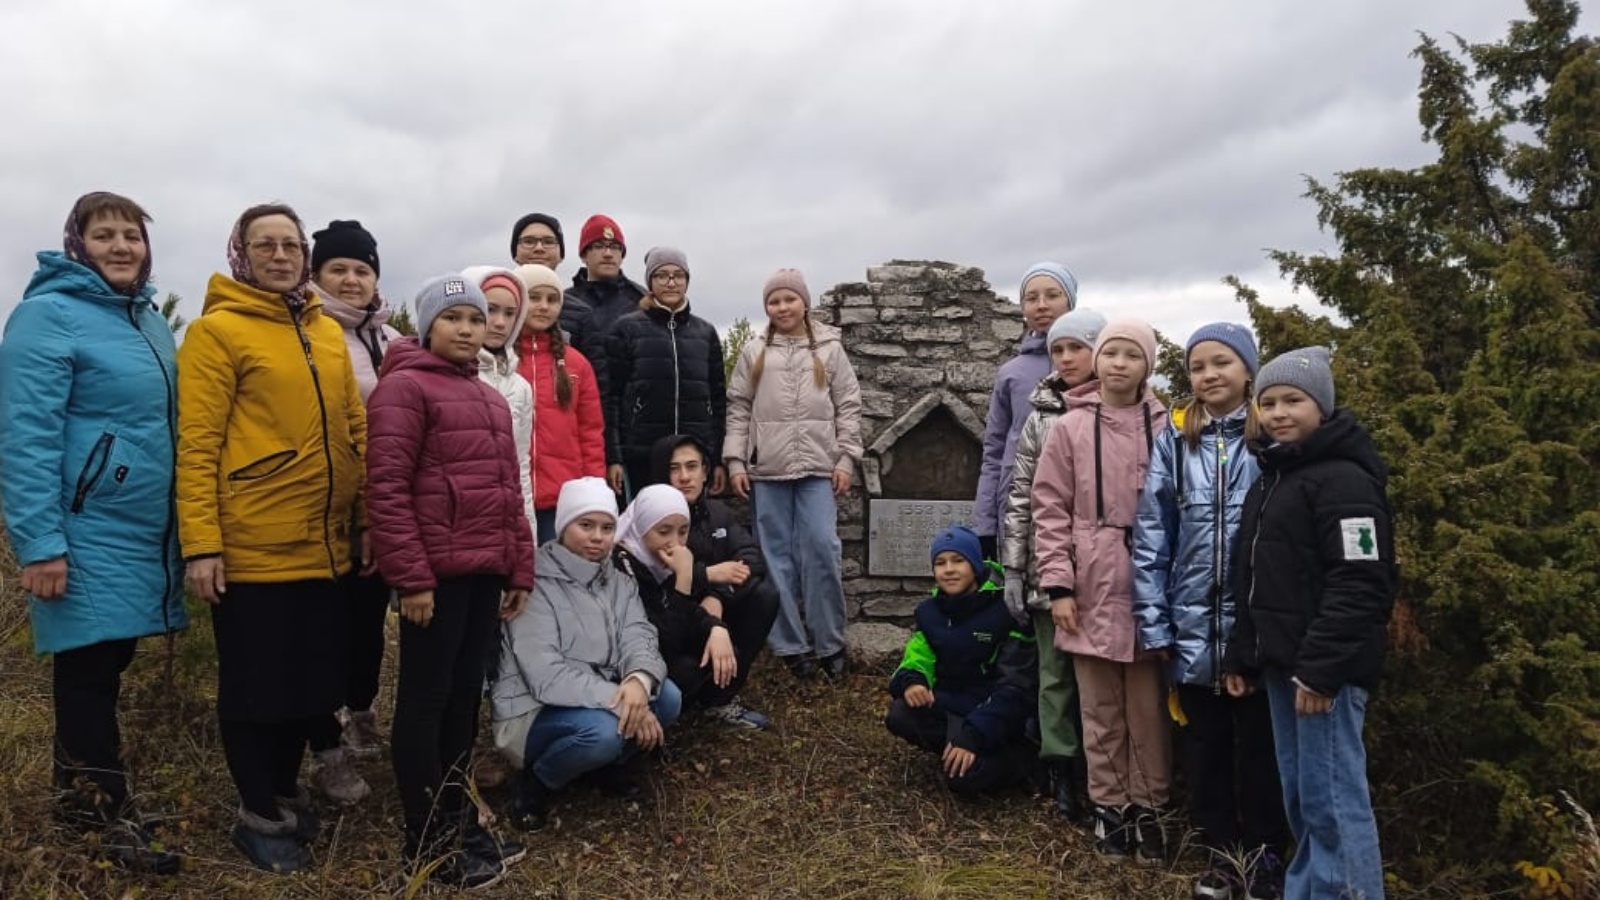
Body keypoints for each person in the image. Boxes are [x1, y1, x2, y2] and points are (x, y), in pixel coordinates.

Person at [176, 202, 366, 874]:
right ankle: (258, 815)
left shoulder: (321, 333)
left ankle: (284, 795)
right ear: (242, 253)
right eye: (266, 245)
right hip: (252, 545)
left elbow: (355, 433)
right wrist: (202, 544)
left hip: (324, 548)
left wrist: (363, 524)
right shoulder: (215, 332)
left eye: (291, 245)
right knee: (257, 693)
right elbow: (196, 445)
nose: (281, 256)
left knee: (309, 689)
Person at [0, 191, 186, 873]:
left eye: (131, 235)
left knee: (108, 665)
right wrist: (41, 543)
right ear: (77, 245)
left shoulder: (147, 321)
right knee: (86, 670)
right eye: (104, 234)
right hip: (82, 528)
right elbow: (25, 437)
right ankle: (102, 819)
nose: (120, 247)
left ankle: (80, 799)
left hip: (140, 529)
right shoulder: (47, 317)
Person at [366, 274, 535, 889]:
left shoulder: (490, 399)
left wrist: (520, 567)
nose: (468, 329)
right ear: (427, 326)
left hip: (485, 573)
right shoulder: (403, 389)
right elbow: (386, 491)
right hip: (433, 579)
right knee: (424, 704)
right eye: (454, 319)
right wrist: (410, 579)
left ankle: (460, 822)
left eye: (475, 319)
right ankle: (427, 841)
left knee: (463, 705)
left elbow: (508, 494)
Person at [1223, 347, 1395, 900]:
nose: (1278, 412)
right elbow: (1254, 579)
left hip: (1323, 676)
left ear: (1322, 405)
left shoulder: (1345, 482)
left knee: (1334, 802)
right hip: (1281, 669)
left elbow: (1361, 581)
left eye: (1293, 400)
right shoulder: (1273, 479)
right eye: (1267, 401)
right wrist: (1243, 656)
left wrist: (1321, 671)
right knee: (1302, 800)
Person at [1133, 322, 1289, 899]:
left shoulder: (1267, 440)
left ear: (1248, 371)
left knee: (1261, 749)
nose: (1208, 375)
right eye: (1198, 366)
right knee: (1206, 750)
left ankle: (1267, 857)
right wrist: (1154, 620)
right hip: (1193, 626)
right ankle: (1221, 857)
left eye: (1221, 363)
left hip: (1254, 631)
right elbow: (1153, 534)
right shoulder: (1176, 441)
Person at [1031, 318, 1171, 864]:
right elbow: (1049, 510)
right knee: (1098, 706)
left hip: (1149, 580)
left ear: (1148, 366)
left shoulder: (1168, 428)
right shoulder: (1068, 429)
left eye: (1130, 355)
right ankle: (1109, 805)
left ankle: (1150, 807)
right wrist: (1057, 585)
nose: (1117, 363)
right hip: (1088, 580)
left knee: (1147, 709)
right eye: (1109, 352)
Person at [490, 477, 682, 833]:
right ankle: (537, 783)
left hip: (596, 697)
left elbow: (639, 634)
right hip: (532, 711)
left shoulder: (619, 580)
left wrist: (639, 680)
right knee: (604, 733)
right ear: (563, 526)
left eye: (607, 527)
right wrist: (623, 701)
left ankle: (606, 767)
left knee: (668, 698)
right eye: (586, 525)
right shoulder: (533, 583)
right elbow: (546, 674)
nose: (597, 537)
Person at [725, 269, 862, 680]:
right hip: (767, 471)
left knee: (822, 549)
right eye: (774, 301)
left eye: (789, 299)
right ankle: (789, 645)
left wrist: (846, 459)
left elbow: (849, 405)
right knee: (776, 559)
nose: (782, 307)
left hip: (819, 469)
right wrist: (735, 461)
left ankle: (830, 643)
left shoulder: (830, 349)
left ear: (804, 302)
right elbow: (738, 408)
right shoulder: (754, 351)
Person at [999, 306, 1106, 824]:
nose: (1064, 357)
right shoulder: (1041, 413)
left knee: (1102, 679)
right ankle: (1061, 768)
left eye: (1076, 348)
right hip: (1050, 566)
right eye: (1058, 349)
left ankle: (1104, 774)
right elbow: (1021, 496)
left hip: (1108, 572)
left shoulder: (1128, 410)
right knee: (1055, 675)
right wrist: (1015, 569)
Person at [307, 218, 396, 804]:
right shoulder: (308, 331)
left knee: (368, 619)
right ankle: (325, 747)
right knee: (322, 630)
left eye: (362, 269)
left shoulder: (390, 340)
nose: (351, 279)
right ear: (317, 275)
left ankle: (361, 712)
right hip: (321, 506)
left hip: (382, 503)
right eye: (338, 268)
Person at [885, 526, 1036, 797]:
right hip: (951, 707)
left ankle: (1022, 763)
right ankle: (955, 751)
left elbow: (1015, 689)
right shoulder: (929, 612)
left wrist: (975, 733)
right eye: (940, 563)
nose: (949, 570)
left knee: (963, 783)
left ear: (976, 565)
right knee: (899, 714)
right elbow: (918, 655)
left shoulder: (1006, 610)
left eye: (958, 560)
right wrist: (913, 681)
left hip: (996, 715)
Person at [616, 478, 775, 730]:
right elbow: (662, 642)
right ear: (641, 527)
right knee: (688, 670)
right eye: (663, 531)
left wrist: (716, 627)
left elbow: (751, 560)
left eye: (682, 531)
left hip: (666, 642)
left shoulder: (662, 562)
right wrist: (684, 579)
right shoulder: (625, 567)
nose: (675, 543)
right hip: (633, 665)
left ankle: (715, 702)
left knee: (751, 612)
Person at [649, 434, 779, 728]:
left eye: (692, 466)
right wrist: (707, 574)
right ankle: (676, 706)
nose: (684, 477)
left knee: (765, 595)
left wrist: (718, 595)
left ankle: (720, 700)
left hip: (713, 618)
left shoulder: (718, 512)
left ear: (705, 471)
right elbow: (661, 577)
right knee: (686, 671)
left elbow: (751, 558)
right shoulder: (650, 519)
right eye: (674, 468)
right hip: (670, 628)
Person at [974, 262, 1078, 562]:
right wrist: (985, 525)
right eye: (1031, 298)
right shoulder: (1011, 373)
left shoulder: (1094, 365)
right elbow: (993, 452)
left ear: (1070, 301)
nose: (1042, 305)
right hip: (1019, 505)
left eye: (1052, 295)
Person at [604, 247, 726, 498]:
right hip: (642, 455)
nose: (671, 282)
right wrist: (614, 456)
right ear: (650, 281)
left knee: (693, 529)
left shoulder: (705, 333)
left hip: (693, 456)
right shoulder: (626, 329)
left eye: (678, 276)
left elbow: (718, 400)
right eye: (662, 276)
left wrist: (717, 458)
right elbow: (612, 398)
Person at [514, 263, 606, 543]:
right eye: (534, 297)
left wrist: (593, 490)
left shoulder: (576, 363)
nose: (543, 306)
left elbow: (591, 432)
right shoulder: (500, 360)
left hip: (562, 498)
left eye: (552, 299)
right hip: (511, 495)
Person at [462, 265, 537, 532]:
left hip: (502, 525)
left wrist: (528, 531)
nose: (500, 323)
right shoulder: (444, 376)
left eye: (510, 313)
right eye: (490, 309)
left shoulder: (521, 387)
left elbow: (521, 466)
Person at [509, 212, 600, 380]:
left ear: (561, 254)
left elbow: (597, 382)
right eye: (529, 242)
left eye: (548, 242)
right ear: (515, 252)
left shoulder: (581, 314)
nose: (539, 248)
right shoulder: (493, 304)